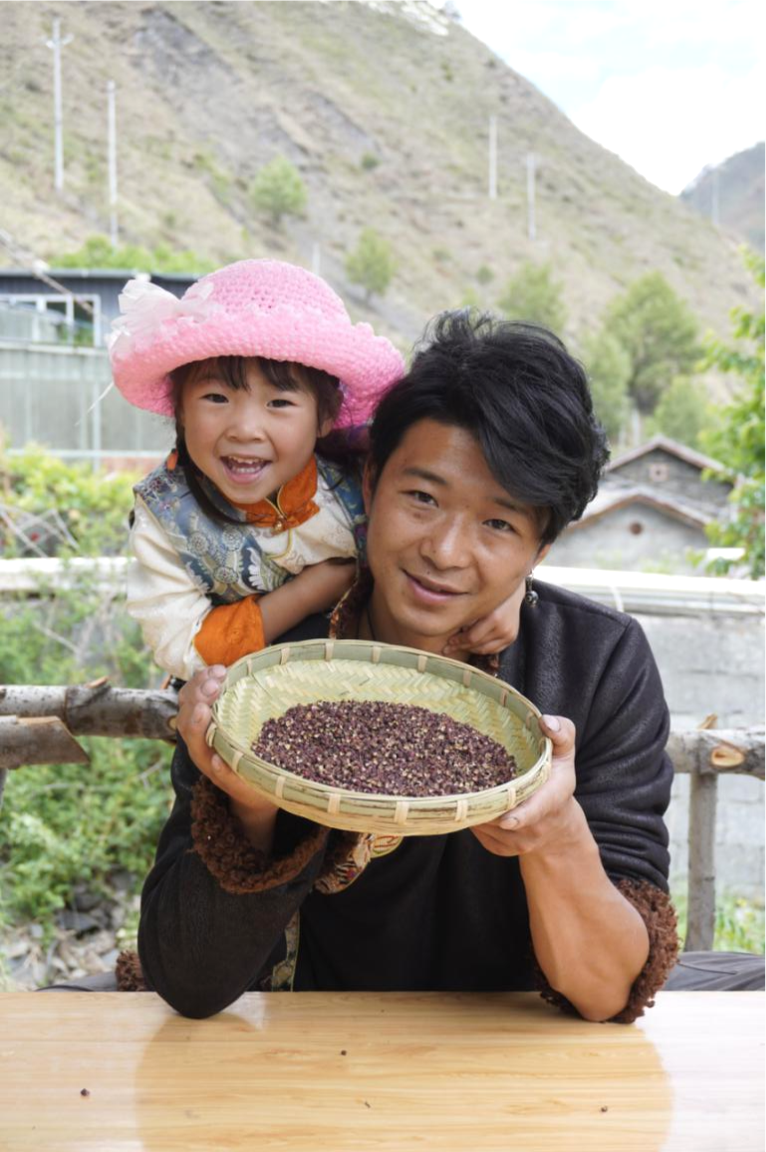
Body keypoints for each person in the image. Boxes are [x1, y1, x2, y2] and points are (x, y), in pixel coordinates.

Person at [132, 311, 681, 1022]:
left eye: (499, 524)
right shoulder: (264, 672)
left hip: (512, 1076)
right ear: (369, 478)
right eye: (422, 498)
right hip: (300, 1053)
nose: (446, 551)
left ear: (539, 550)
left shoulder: (596, 663)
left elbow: (607, 992)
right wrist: (251, 804)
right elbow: (189, 982)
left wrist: (554, 833)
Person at [110, 260, 522, 679]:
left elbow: (486, 508)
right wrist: (306, 595)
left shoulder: (364, 464)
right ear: (180, 409)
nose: (246, 429)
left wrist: (510, 594)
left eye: (280, 403)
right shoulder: (164, 520)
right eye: (216, 398)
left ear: (326, 417)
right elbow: (182, 646)